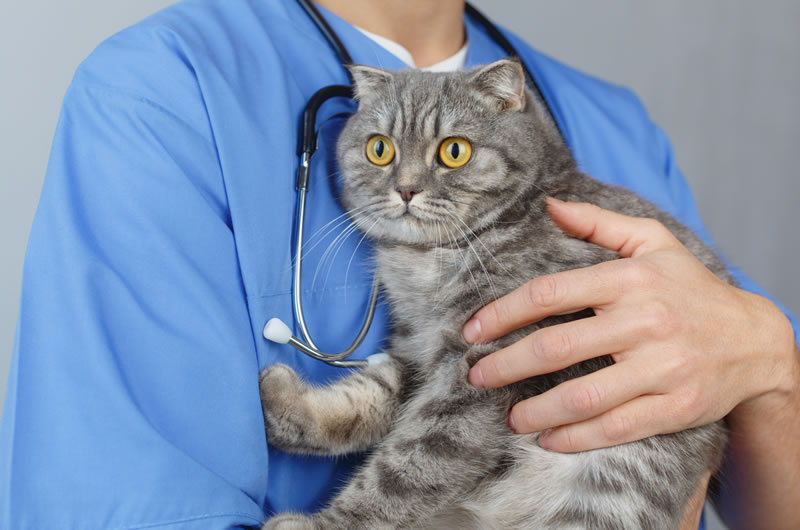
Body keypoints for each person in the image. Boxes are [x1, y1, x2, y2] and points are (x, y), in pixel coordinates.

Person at [0, 0, 797, 528]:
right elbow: (117, 499)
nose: (412, 180)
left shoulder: (611, 122)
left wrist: (769, 359)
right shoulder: (166, 87)